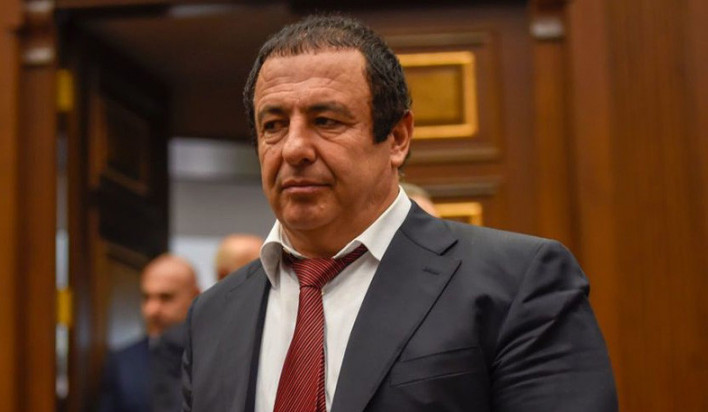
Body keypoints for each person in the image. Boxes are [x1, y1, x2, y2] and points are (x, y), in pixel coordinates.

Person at [182, 15, 617, 412]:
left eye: (326, 120)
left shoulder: (517, 282)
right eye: (274, 125)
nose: (294, 148)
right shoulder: (214, 315)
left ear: (397, 138)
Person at [98, 254, 199, 412]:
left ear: (195, 297)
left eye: (166, 297)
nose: (152, 310)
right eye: (146, 297)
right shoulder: (123, 362)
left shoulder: (211, 357)